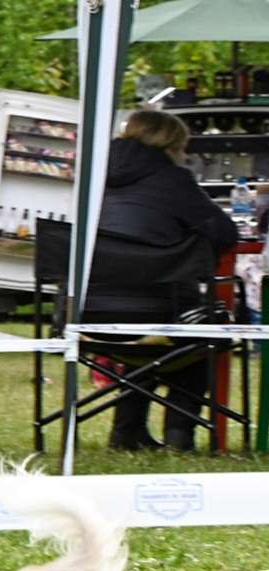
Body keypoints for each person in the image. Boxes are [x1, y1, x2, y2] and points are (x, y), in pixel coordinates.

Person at [89, 109, 237, 451]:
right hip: (158, 312)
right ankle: (179, 434)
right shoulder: (173, 179)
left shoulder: (91, 173)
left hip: (87, 315)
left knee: (155, 343)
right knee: (197, 338)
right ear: (172, 144)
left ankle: (127, 431)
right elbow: (224, 232)